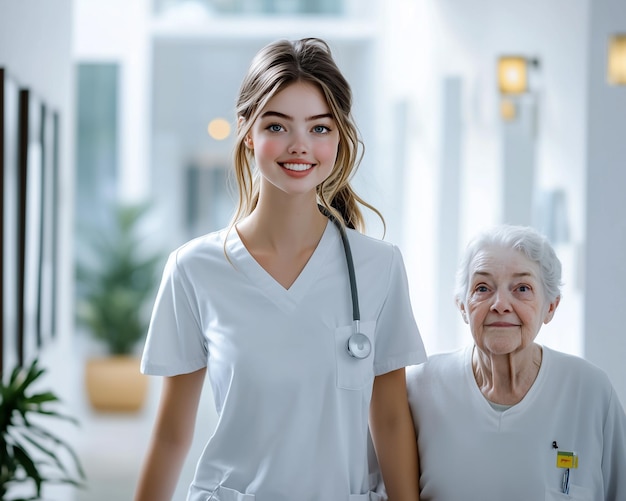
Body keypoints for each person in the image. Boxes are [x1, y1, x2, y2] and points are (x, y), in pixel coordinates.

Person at [135, 37, 426, 501]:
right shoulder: (195, 270)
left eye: (319, 128)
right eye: (277, 125)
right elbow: (172, 434)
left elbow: (390, 419)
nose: (299, 146)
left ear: (340, 137)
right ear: (247, 132)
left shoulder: (379, 268)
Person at [406, 224, 626, 500]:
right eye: (483, 288)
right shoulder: (419, 388)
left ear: (550, 307)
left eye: (522, 288)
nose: (500, 304)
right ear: (463, 306)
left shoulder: (591, 391)